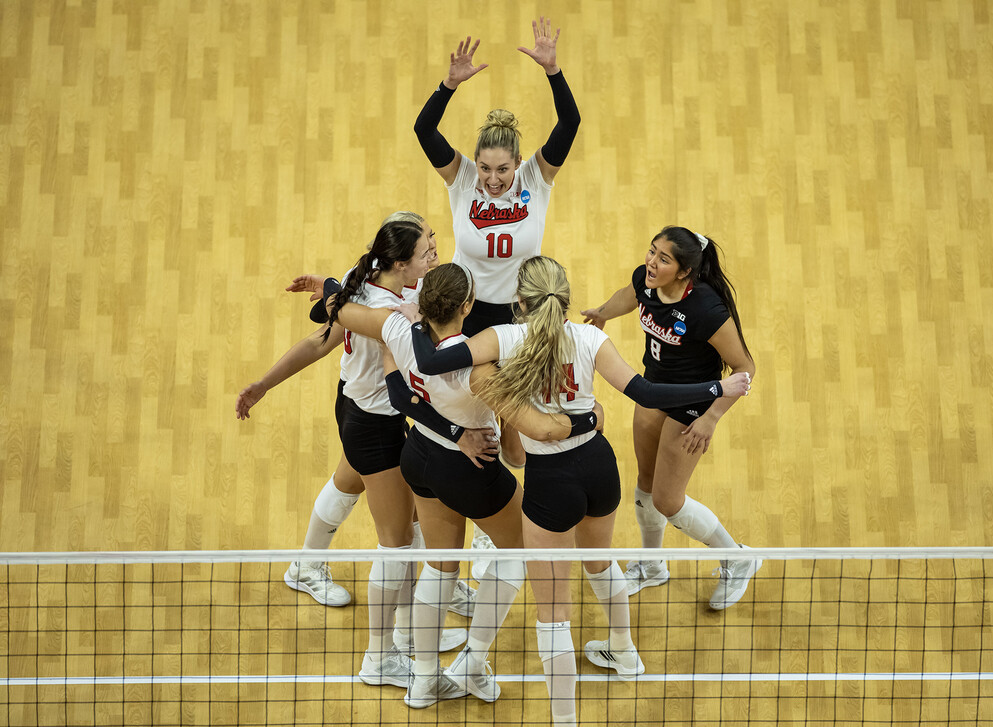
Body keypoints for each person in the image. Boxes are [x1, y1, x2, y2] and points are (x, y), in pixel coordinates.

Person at [408, 256, 751, 725]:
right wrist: (717, 387)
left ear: (519, 302)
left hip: (551, 483)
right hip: (598, 467)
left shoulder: (503, 339)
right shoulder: (591, 338)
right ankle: (624, 651)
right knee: (600, 559)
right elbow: (648, 393)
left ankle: (565, 720)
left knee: (553, 615)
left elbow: (432, 361)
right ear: (564, 297)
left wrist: (413, 322)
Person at [329, 262, 603, 709]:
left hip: (417, 455)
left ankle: (422, 680)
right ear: (468, 306)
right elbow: (517, 452)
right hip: (467, 469)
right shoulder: (478, 366)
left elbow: (396, 391)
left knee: (440, 568)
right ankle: (473, 662)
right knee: (519, 554)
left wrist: (327, 288)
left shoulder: (398, 327)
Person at [234, 215, 472, 688]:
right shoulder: (386, 314)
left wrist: (327, 288)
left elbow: (322, 331)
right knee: (399, 541)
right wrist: (265, 382)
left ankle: (305, 565)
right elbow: (330, 329)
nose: (436, 253)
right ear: (400, 264)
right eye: (428, 250)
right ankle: (386, 652)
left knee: (349, 481)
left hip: (355, 406)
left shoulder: (359, 279)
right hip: (373, 425)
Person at [413, 17, 580, 476]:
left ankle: (520, 505)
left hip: (520, 314)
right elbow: (424, 130)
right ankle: (488, 510)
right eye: (485, 168)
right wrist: (448, 85)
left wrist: (553, 71)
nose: (491, 179)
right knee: (473, 410)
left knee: (514, 419)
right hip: (464, 310)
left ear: (518, 164)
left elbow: (571, 121)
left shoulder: (536, 178)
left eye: (501, 170)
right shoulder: (461, 178)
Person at [581, 226, 759, 610]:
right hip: (655, 389)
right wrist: (603, 312)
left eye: (664, 259)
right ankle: (652, 565)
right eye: (651, 251)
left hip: (694, 401)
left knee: (667, 499)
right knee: (645, 484)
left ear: (683, 272)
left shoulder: (705, 309)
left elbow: (745, 368)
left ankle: (738, 557)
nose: (652, 261)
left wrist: (711, 419)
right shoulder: (647, 282)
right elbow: (629, 297)